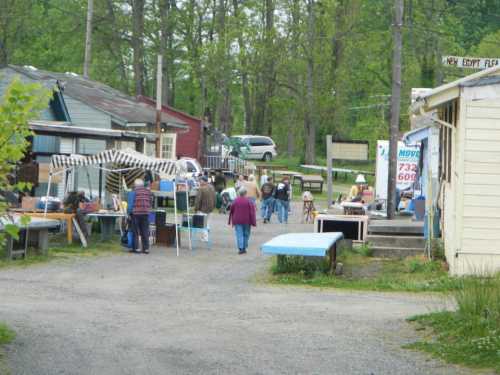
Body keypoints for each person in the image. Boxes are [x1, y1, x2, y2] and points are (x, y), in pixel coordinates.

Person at [228, 187, 256, 254]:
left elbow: (231, 210)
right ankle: (244, 247)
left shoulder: (235, 201)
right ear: (246, 193)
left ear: (239, 193)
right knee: (246, 234)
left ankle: (240, 248)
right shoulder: (249, 201)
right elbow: (252, 212)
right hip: (247, 220)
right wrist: (253, 221)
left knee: (239, 234)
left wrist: (230, 220)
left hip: (237, 220)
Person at [128, 179, 152, 254]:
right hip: (145, 213)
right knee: (145, 231)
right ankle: (146, 249)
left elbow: (130, 205)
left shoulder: (133, 192)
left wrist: (128, 213)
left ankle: (136, 248)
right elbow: (150, 202)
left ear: (135, 185)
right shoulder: (148, 192)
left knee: (135, 231)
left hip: (136, 213)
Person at [194, 176, 216, 240]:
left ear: (204, 181)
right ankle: (207, 231)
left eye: (200, 180)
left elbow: (198, 200)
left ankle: (205, 237)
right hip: (211, 208)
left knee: (203, 223)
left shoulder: (201, 189)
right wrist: (214, 206)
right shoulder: (212, 187)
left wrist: (196, 208)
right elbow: (215, 198)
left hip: (203, 209)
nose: (199, 182)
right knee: (207, 222)